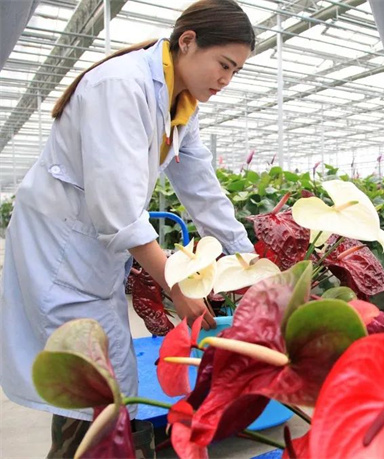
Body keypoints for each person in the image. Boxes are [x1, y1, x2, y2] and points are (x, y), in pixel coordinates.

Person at [0, 0, 256, 456]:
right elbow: (116, 209)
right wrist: (176, 285)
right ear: (188, 41)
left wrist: (250, 262)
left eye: (235, 71)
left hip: (93, 254)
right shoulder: (120, 85)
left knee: (104, 380)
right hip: (61, 250)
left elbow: (202, 189)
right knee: (92, 388)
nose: (226, 80)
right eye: (224, 65)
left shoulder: (181, 103)